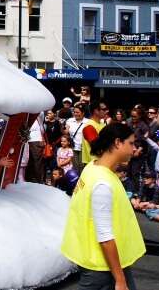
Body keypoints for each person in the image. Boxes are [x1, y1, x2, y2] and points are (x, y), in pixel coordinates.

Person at [61, 123, 145, 290]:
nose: (134, 149)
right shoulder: (102, 184)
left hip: (107, 261)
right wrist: (120, 280)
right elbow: (105, 236)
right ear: (117, 143)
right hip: (102, 265)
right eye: (131, 143)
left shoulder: (92, 167)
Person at [81, 100, 109, 169]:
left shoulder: (102, 124)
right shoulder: (89, 126)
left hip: (101, 162)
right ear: (96, 111)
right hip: (92, 164)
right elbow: (97, 148)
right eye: (104, 109)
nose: (107, 111)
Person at [65, 104, 88, 171]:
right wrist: (61, 127)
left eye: (77, 112)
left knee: (82, 166)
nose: (75, 114)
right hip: (73, 147)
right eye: (74, 112)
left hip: (83, 148)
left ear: (83, 113)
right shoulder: (70, 120)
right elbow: (66, 132)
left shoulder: (87, 122)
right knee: (75, 166)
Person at [25, 112, 45, 183]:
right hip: (26, 140)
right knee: (28, 161)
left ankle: (39, 181)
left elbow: (41, 124)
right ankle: (29, 179)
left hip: (36, 139)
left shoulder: (40, 111)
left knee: (37, 161)